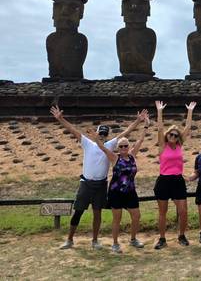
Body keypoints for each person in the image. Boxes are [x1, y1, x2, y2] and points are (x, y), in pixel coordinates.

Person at [50, 105, 148, 250]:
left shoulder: (110, 145)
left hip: (101, 184)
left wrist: (138, 121)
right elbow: (73, 130)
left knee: (97, 213)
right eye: (100, 133)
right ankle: (70, 239)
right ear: (96, 133)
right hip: (86, 183)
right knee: (78, 211)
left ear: (106, 135)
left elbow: (126, 132)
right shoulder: (87, 143)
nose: (101, 135)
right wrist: (60, 119)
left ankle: (95, 241)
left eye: (104, 133)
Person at [87, 114, 150, 253]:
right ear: (118, 148)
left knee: (136, 216)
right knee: (117, 218)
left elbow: (140, 140)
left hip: (130, 191)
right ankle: (115, 243)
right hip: (116, 192)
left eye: (125, 145)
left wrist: (146, 125)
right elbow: (102, 148)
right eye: (121, 146)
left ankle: (133, 239)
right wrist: (95, 137)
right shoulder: (114, 158)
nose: (123, 148)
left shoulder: (132, 156)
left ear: (128, 146)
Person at [153, 100, 196, 249]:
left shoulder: (179, 145)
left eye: (176, 135)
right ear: (167, 136)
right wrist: (159, 111)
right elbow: (159, 129)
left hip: (178, 180)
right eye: (171, 134)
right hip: (164, 181)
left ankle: (182, 235)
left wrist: (190, 110)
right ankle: (162, 239)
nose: (173, 137)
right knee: (163, 212)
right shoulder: (163, 146)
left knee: (183, 210)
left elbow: (188, 127)